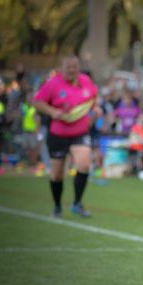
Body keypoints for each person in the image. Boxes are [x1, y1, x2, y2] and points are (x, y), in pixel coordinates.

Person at [33, 55, 99, 217]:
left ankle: (77, 203)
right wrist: (53, 112)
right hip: (58, 134)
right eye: (68, 67)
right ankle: (57, 206)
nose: (71, 70)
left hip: (80, 132)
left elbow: (93, 98)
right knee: (56, 174)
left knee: (84, 165)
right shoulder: (53, 83)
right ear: (62, 68)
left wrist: (96, 109)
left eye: (74, 67)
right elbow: (37, 102)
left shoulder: (85, 81)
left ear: (78, 67)